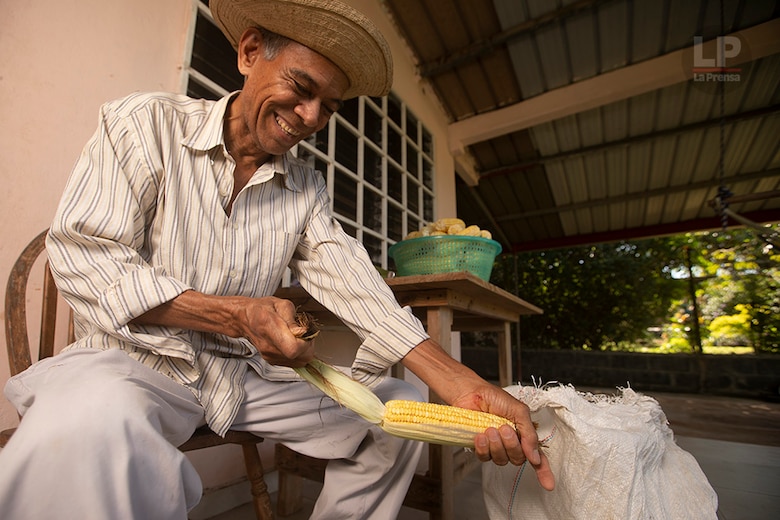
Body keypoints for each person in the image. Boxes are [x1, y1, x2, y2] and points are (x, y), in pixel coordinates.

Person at [0, 0, 554, 518]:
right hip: (132, 366)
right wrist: (238, 315)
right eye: (301, 86)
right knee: (85, 424)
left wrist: (458, 381)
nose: (310, 116)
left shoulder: (305, 188)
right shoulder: (144, 125)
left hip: (236, 380)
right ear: (247, 53)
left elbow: (352, 280)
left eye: (329, 107)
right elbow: (84, 256)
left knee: (398, 410)